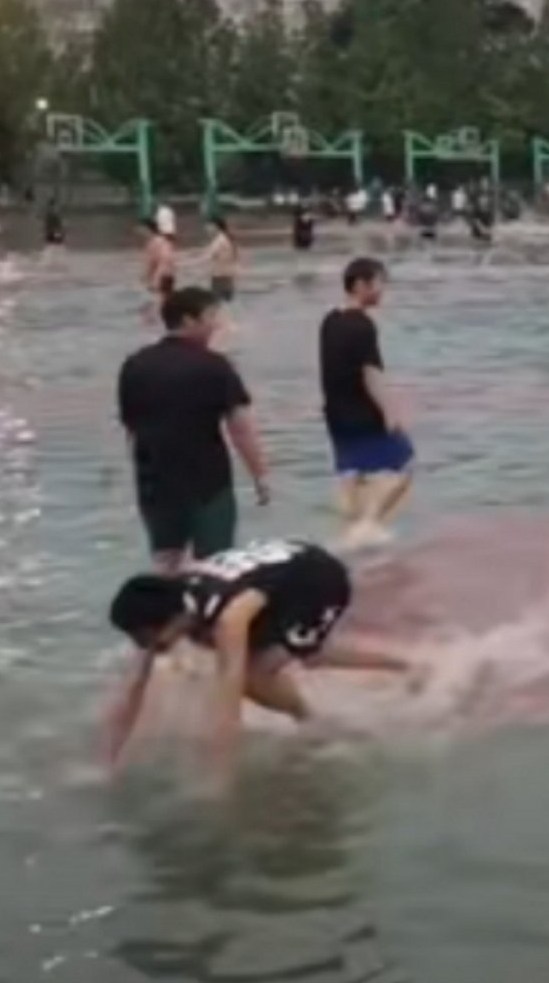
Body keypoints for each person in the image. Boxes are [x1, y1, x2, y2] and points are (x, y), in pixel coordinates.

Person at [100, 539, 415, 777]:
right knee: (297, 655)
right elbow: (132, 694)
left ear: (167, 621)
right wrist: (107, 765)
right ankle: (403, 666)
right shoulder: (172, 602)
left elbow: (229, 705)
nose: (144, 645)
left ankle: (311, 722)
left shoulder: (228, 618)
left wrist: (218, 784)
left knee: (265, 672)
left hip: (318, 580)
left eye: (144, 638)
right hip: (278, 576)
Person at [118, 286, 271, 566]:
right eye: (211, 316)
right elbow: (241, 428)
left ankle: (167, 609)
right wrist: (260, 475)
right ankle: (207, 608)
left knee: (167, 561)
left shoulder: (135, 366)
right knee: (216, 564)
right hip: (207, 482)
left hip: (154, 481)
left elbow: (131, 428)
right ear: (189, 321)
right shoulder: (215, 366)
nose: (217, 324)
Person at [321, 258, 415, 551]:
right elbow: (371, 374)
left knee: (351, 473)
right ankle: (369, 525)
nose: (382, 290)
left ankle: (346, 531)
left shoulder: (330, 320)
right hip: (363, 412)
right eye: (379, 283)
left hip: (335, 413)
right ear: (361, 285)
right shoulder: (362, 325)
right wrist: (390, 413)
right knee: (403, 464)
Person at [141, 219, 179, 317]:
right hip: (169, 274)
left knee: (160, 303)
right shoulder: (164, 241)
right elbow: (169, 259)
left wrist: (150, 279)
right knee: (168, 300)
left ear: (148, 230)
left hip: (161, 275)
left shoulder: (153, 243)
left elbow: (153, 263)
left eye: (142, 229)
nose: (141, 232)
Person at [204, 216, 242, 304]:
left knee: (216, 305)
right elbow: (237, 257)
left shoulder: (218, 241)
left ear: (216, 227)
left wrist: (187, 264)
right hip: (229, 277)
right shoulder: (228, 239)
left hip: (219, 278)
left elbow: (208, 257)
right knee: (229, 304)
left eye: (209, 226)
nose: (207, 229)